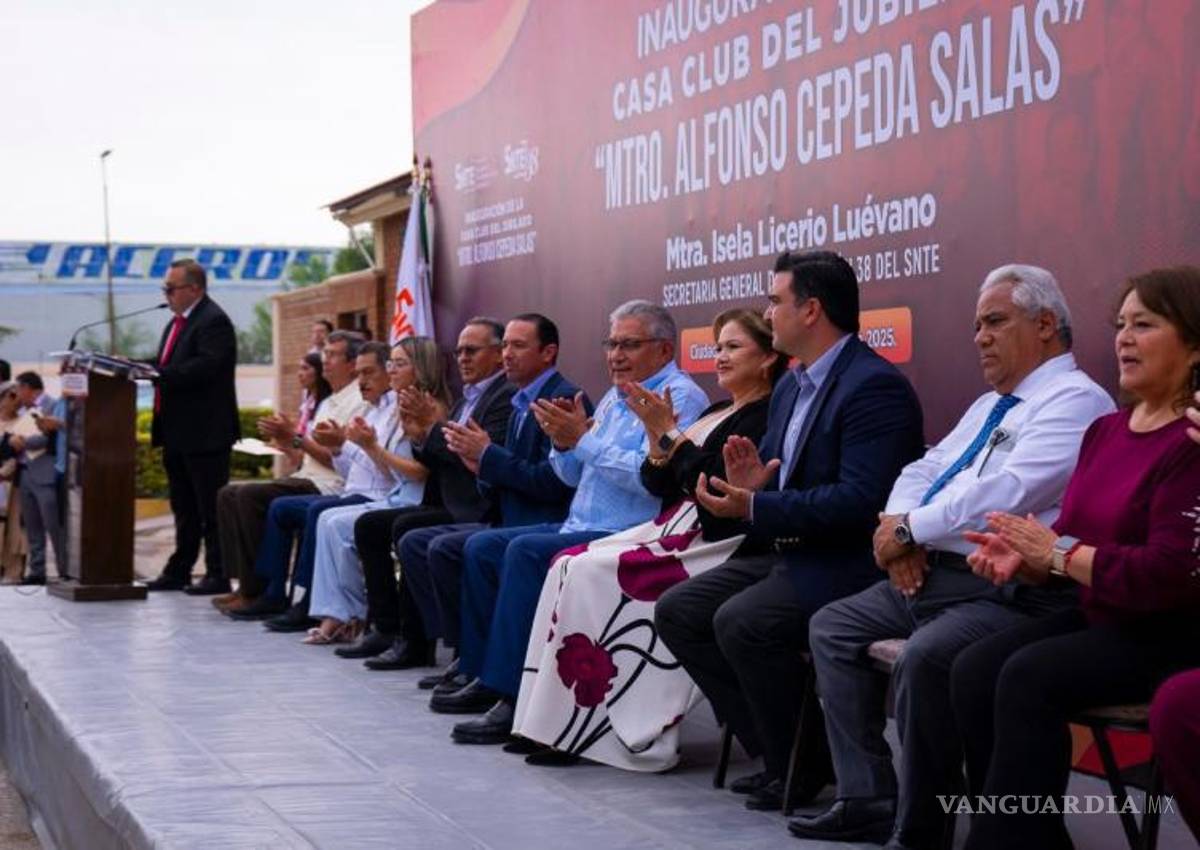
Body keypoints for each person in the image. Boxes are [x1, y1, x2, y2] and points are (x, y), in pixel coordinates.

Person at [793, 264, 1114, 847]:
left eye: (995, 321)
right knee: (831, 627)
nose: (980, 338)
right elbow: (925, 467)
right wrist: (898, 532)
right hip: (927, 573)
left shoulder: (1076, 401)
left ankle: (921, 830)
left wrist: (910, 531)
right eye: (975, 326)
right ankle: (866, 796)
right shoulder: (992, 403)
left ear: (1045, 324)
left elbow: (1007, 496)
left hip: (1003, 586)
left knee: (926, 659)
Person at [654, 251, 925, 813]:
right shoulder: (792, 387)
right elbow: (776, 484)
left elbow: (861, 502)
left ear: (811, 311)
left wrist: (757, 505)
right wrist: (752, 490)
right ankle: (793, 751)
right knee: (678, 610)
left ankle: (797, 763)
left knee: (742, 621)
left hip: (846, 561)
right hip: (789, 553)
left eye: (775, 301)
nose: (767, 312)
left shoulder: (873, 387)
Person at [949, 266, 1200, 850]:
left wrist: (1055, 554)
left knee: (1028, 676)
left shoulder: (1189, 442)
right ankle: (1029, 835)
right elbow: (1073, 541)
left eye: (1145, 324)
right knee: (971, 668)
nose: (1124, 338)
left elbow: (1165, 574)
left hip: (1169, 629)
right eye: (1120, 324)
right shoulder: (1106, 431)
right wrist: (1024, 558)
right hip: (1102, 615)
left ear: (1192, 346)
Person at [511, 307, 786, 770]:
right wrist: (576, 441)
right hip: (670, 528)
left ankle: (601, 728)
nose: (719, 356)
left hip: (708, 543)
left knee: (585, 568)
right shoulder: (719, 410)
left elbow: (708, 487)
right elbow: (660, 480)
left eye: (733, 347)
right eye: (718, 347)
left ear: (767, 358)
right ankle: (556, 724)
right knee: (568, 563)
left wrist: (664, 435)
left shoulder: (762, 415)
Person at [438, 299, 710, 746]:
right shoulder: (613, 396)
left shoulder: (677, 397)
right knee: (482, 548)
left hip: (629, 535)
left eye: (629, 344)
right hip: (579, 525)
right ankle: (489, 673)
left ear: (664, 350)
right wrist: (563, 444)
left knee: (523, 552)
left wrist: (583, 440)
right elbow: (570, 475)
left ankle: (512, 698)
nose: (615, 355)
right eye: (611, 344)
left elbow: (650, 479)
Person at [342, 314, 583, 677]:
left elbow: (549, 481)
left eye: (516, 346)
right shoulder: (515, 399)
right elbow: (477, 461)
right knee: (413, 538)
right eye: (504, 346)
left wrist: (470, 451)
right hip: (487, 505)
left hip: (507, 513)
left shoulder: (551, 399)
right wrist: (426, 435)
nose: (506, 355)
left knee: (441, 542)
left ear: (548, 352)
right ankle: (460, 653)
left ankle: (477, 663)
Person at [334, 318, 514, 657]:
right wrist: (420, 435)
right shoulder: (464, 399)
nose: (462, 358)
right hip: (436, 498)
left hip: (467, 503)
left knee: (403, 528)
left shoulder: (474, 400)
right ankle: (389, 628)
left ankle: (415, 637)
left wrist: (422, 430)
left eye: (471, 351)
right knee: (375, 525)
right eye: (459, 351)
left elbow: (433, 467)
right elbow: (431, 454)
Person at [229, 342, 406, 622]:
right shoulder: (363, 408)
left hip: (360, 492)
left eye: (368, 372)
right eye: (360, 374)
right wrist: (335, 448)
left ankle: (310, 599)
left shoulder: (387, 410)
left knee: (307, 510)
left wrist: (335, 446)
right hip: (345, 486)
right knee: (269, 505)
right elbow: (350, 467)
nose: (362, 381)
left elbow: (388, 474)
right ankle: (272, 591)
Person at [303, 337, 448, 643]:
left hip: (413, 498)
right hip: (397, 494)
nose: (391, 370)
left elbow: (420, 472)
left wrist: (365, 446)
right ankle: (340, 616)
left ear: (420, 367)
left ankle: (364, 620)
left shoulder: (429, 408)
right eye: (391, 363)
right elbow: (389, 468)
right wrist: (354, 446)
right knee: (329, 519)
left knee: (344, 523)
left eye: (399, 364)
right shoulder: (394, 408)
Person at [214, 338, 362, 616]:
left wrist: (294, 436)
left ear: (352, 364)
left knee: (248, 496)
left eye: (333, 355)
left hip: (329, 484)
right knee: (227, 494)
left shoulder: (357, 401)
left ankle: (262, 590)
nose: (325, 361)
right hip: (306, 475)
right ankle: (244, 584)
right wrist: (287, 442)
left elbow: (337, 460)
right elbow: (306, 454)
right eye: (324, 354)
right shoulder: (329, 400)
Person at [144, 259, 240, 593]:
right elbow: (167, 365)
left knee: (210, 508)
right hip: (176, 431)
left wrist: (158, 374)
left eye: (171, 288)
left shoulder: (213, 321)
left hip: (206, 432)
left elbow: (205, 368)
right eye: (165, 289)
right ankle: (179, 570)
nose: (166, 294)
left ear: (194, 288)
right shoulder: (176, 324)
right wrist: (137, 366)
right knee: (183, 507)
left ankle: (218, 573)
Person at [8, 373, 63, 584]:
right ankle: (37, 570)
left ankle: (63, 568)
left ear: (29, 388)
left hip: (45, 472)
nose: (18, 395)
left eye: (19, 390)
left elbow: (49, 436)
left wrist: (22, 441)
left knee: (53, 524)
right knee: (32, 526)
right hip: (25, 472)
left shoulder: (52, 405)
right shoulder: (21, 410)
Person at [0, 382, 32, 582]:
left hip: (14, 484)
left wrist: (4, 471)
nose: (14, 400)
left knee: (15, 531)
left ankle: (13, 572)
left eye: (17, 397)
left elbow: (21, 452)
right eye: (11, 396)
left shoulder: (23, 423)